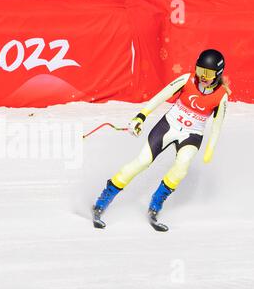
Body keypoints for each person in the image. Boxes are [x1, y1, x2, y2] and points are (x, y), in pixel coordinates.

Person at [93, 49, 230, 231]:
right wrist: (141, 116)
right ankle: (103, 200)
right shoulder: (186, 79)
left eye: (209, 73)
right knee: (142, 162)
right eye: (200, 71)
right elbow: (161, 96)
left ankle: (156, 205)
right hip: (168, 126)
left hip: (192, 135)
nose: (203, 77)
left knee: (181, 167)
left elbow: (217, 126)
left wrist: (210, 149)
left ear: (218, 74)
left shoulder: (221, 96)